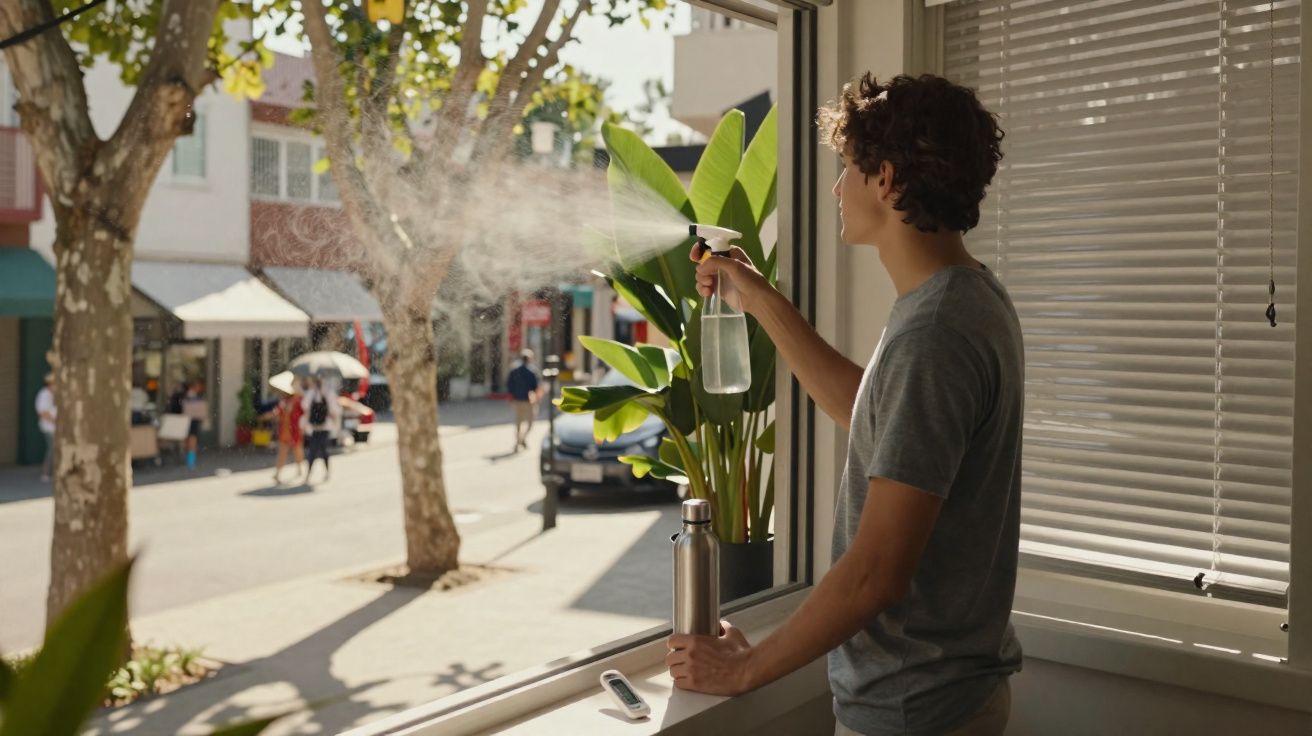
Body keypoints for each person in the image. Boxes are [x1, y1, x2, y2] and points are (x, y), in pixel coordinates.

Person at [667, 74, 1022, 736]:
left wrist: (743, 671)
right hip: (946, 698)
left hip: (914, 711)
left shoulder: (935, 332)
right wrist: (760, 298)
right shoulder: (967, 299)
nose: (837, 190)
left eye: (848, 172)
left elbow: (877, 573)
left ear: (885, 181)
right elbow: (884, 419)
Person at [261, 388, 305, 484]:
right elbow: (278, 412)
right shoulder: (283, 402)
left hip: (294, 430)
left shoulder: (298, 400)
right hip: (285, 431)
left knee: (297, 451)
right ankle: (278, 473)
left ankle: (300, 469)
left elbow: (303, 413)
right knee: (282, 453)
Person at [301, 377, 341, 483]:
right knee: (313, 451)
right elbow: (305, 408)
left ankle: (325, 472)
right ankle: (309, 473)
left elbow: (334, 410)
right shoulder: (312, 393)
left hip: (324, 427)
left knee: (322, 450)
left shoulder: (327, 393)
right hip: (315, 427)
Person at [506, 349, 541, 451]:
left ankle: (518, 442)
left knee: (518, 422)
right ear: (530, 359)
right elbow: (535, 387)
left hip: (517, 400)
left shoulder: (514, 370)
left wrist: (512, 396)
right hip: (528, 401)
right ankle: (522, 439)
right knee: (530, 422)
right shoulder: (532, 371)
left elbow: (509, 385)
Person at [180, 381, 207, 471]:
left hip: (187, 421)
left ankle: (189, 460)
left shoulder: (186, 396)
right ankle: (190, 461)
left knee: (189, 440)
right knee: (192, 440)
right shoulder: (191, 396)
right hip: (191, 421)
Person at [35, 373, 55, 482]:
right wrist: (56, 421)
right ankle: (45, 473)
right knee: (51, 449)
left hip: (54, 428)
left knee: (53, 449)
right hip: (49, 428)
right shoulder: (44, 395)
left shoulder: (52, 394)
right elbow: (42, 412)